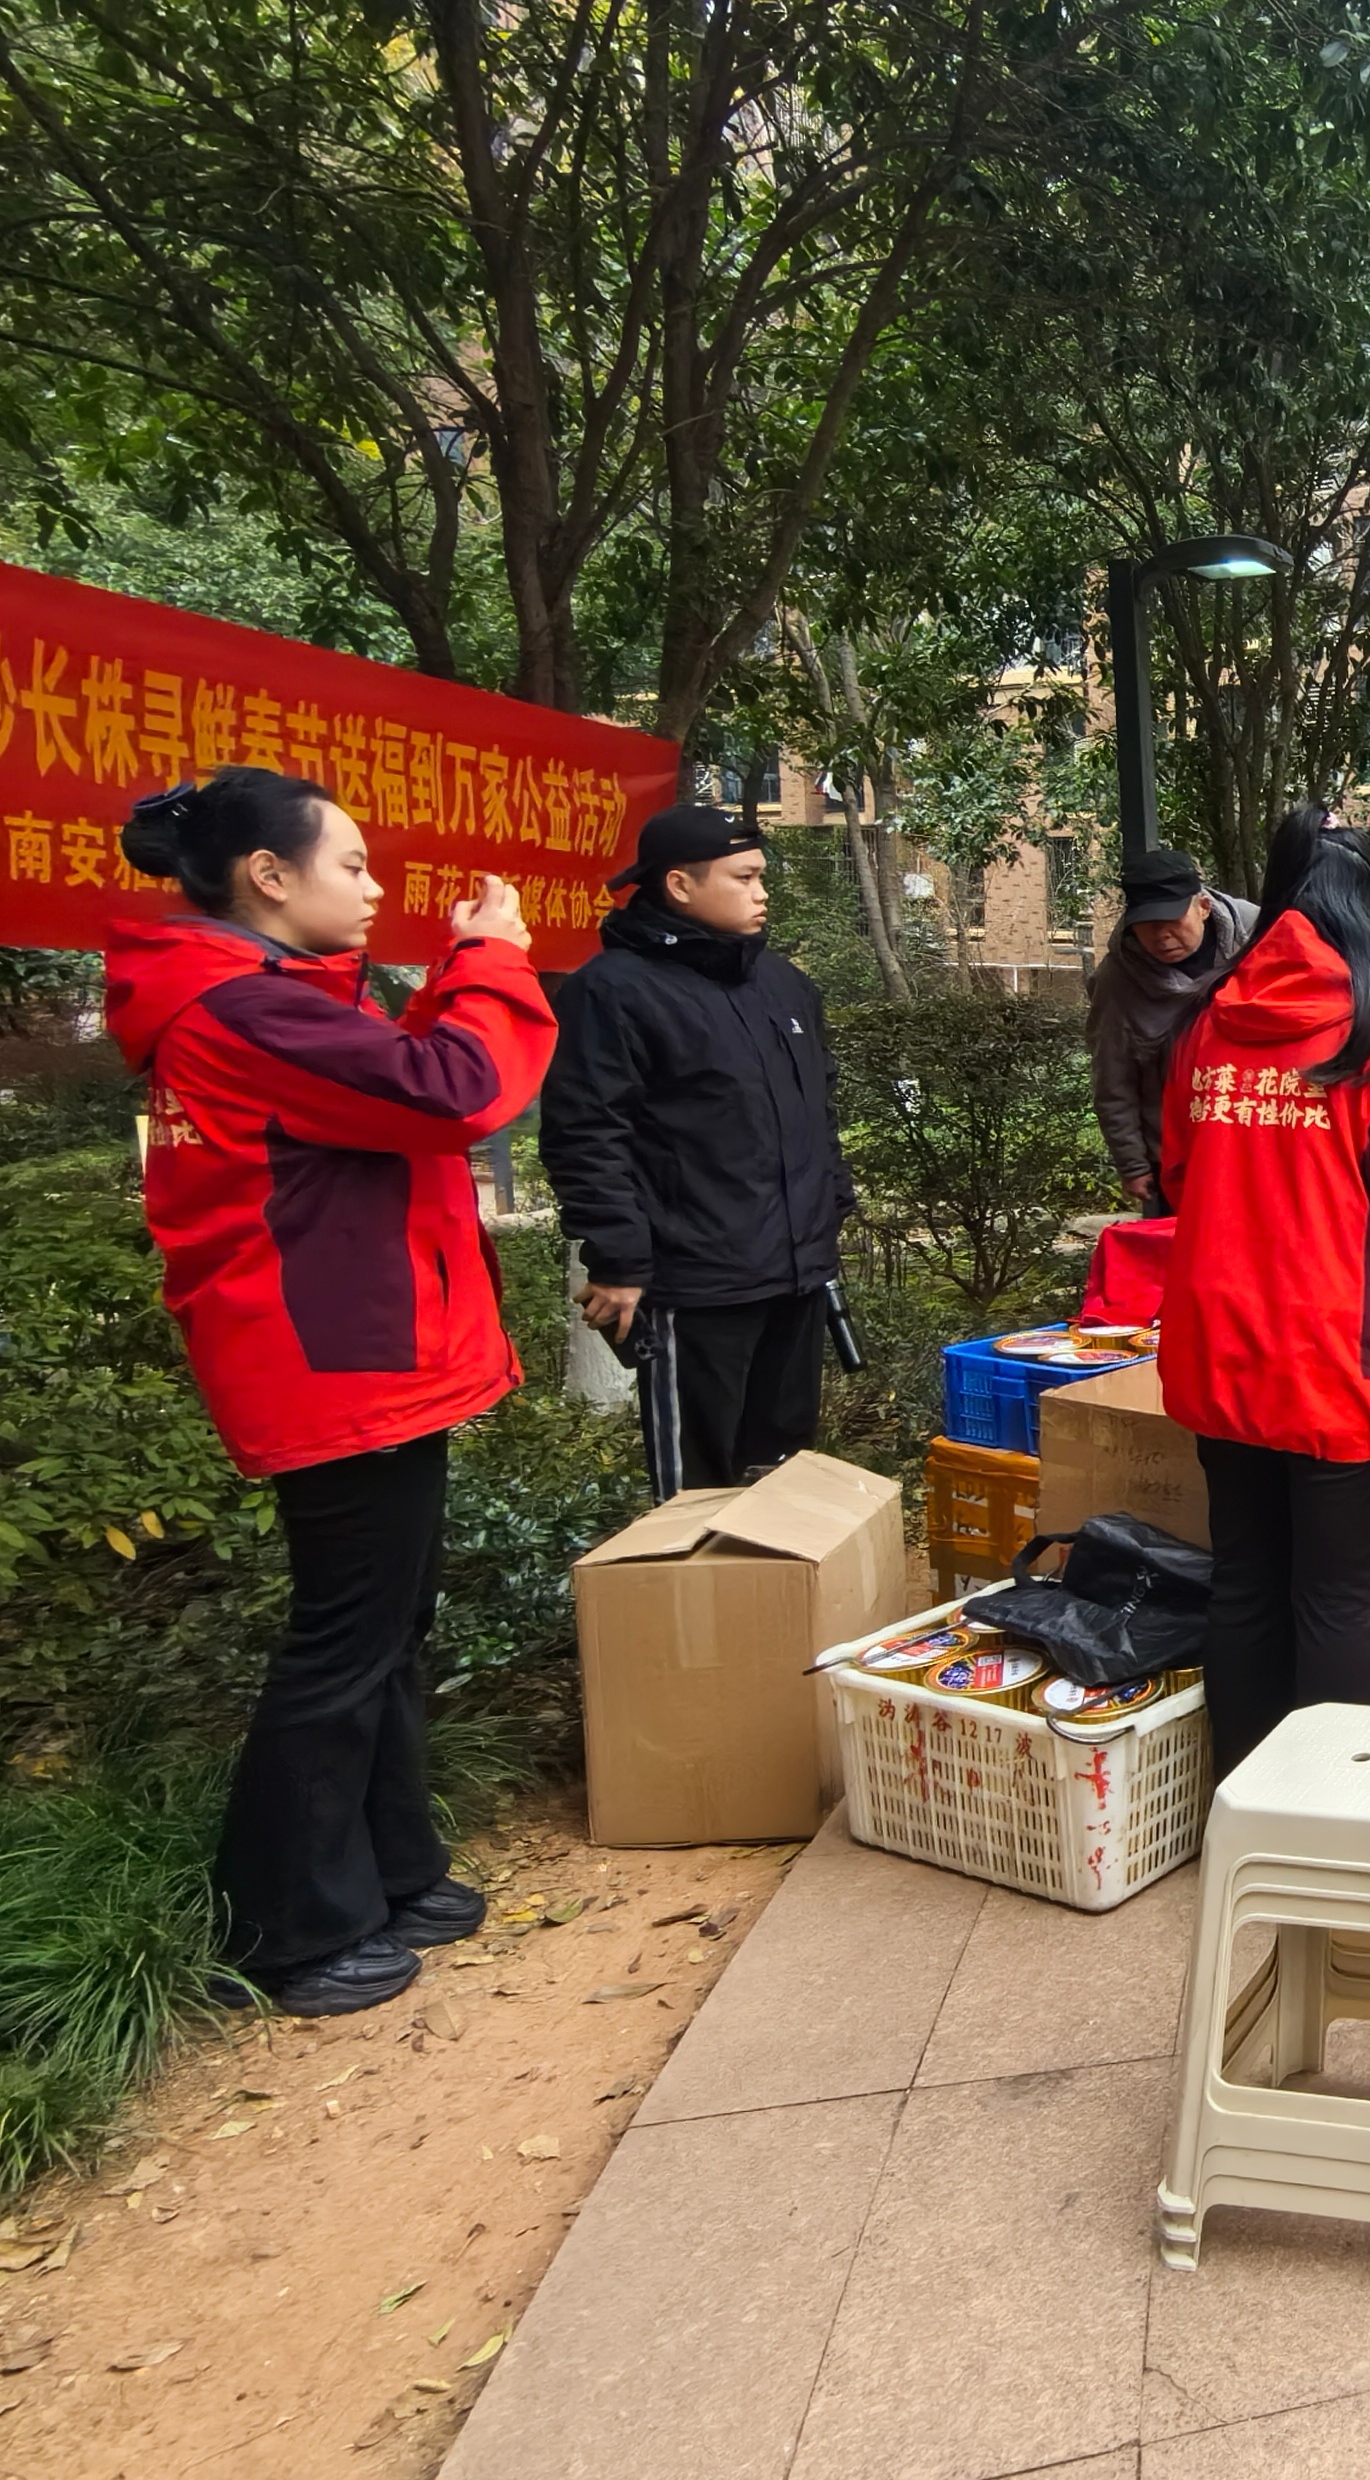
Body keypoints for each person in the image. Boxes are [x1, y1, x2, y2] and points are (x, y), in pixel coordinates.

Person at [104, 770, 554, 2016]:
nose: (372, 889)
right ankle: (290, 1927)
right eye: (350, 865)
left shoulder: (269, 1003)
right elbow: (453, 1090)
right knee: (345, 1641)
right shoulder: (239, 1010)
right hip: (328, 1355)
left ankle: (390, 1873)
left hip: (363, 1350)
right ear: (268, 874)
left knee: (387, 1628)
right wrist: (489, 962)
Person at [1155, 828, 1370, 1777]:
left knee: (1244, 1584)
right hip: (1334, 1357)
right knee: (1336, 1599)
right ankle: (1327, 1828)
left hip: (1221, 1343)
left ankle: (1240, 1805)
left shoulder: (1208, 1025)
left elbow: (1181, 1176)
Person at [543, 807, 854, 1495]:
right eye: (744, 877)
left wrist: (830, 1206)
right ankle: (698, 1606)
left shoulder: (782, 983)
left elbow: (817, 1113)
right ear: (680, 885)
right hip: (698, 1284)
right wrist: (619, 1259)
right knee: (700, 1494)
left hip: (796, 1272)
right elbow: (586, 1133)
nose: (762, 892)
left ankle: (779, 1602)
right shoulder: (615, 990)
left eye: (762, 876)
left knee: (785, 1477)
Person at [1084, 846, 1255, 1214]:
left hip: (1258, 1141)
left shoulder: (1258, 935)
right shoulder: (1119, 980)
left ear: (1203, 907)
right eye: (1147, 925)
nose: (1160, 935)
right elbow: (1113, 1079)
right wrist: (1132, 1163)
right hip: (1178, 1158)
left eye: (1172, 920)